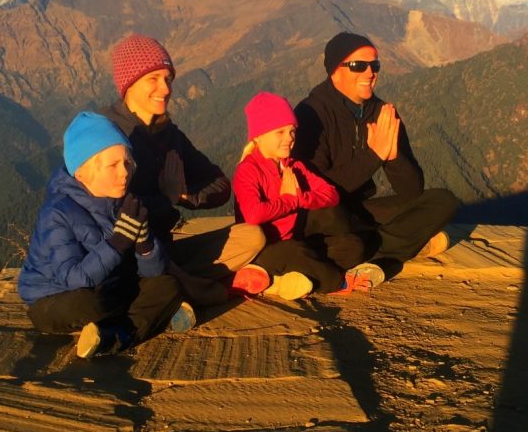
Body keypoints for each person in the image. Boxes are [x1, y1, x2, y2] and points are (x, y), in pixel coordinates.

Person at [101, 34, 266, 304]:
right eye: (152, 79)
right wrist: (165, 198)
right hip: (124, 254)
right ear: (128, 84)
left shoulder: (169, 136)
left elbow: (221, 185)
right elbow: (110, 212)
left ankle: (174, 289)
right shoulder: (107, 135)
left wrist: (184, 195)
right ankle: (194, 288)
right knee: (147, 270)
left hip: (165, 249)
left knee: (252, 237)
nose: (165, 89)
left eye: (168, 79)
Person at [17, 111, 193, 358]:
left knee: (167, 285)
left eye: (128, 162)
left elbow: (153, 272)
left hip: (110, 287)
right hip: (54, 299)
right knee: (90, 304)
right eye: (113, 165)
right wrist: (119, 240)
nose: (125, 172)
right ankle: (137, 324)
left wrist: (144, 243)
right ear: (82, 173)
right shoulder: (57, 213)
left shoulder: (122, 201)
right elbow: (74, 278)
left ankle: (111, 335)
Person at [293, 32, 458, 271]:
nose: (370, 73)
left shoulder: (382, 113)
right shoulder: (311, 114)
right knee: (333, 218)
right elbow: (318, 192)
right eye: (358, 66)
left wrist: (392, 158)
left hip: (360, 208)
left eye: (375, 65)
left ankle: (372, 249)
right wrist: (373, 156)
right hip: (325, 213)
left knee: (443, 201)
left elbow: (412, 190)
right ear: (335, 70)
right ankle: (392, 245)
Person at [232, 92, 384, 298]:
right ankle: (335, 281)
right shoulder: (248, 170)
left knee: (353, 246)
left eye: (292, 131)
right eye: (280, 132)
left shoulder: (294, 166)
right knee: (295, 252)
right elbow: (253, 215)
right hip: (264, 250)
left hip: (296, 239)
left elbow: (331, 195)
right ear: (259, 136)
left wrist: (301, 198)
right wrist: (289, 200)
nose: (290, 139)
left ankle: (277, 280)